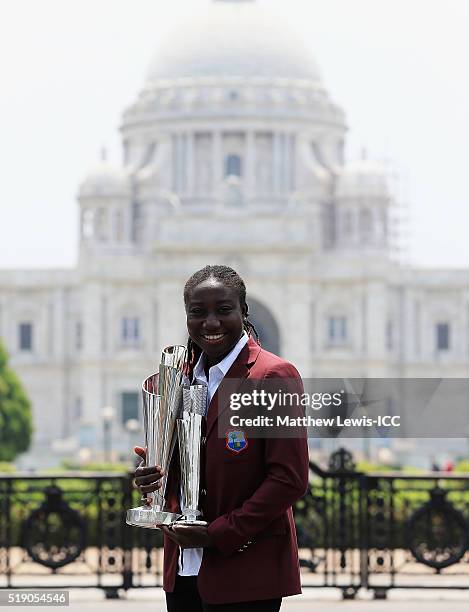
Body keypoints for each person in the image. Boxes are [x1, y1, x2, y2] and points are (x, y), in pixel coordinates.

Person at [134, 265, 309, 611]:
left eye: (223, 310)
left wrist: (220, 533)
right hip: (184, 568)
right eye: (197, 313)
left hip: (247, 570)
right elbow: (174, 468)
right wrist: (151, 478)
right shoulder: (174, 381)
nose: (210, 323)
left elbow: (289, 479)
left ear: (243, 312)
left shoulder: (272, 376)